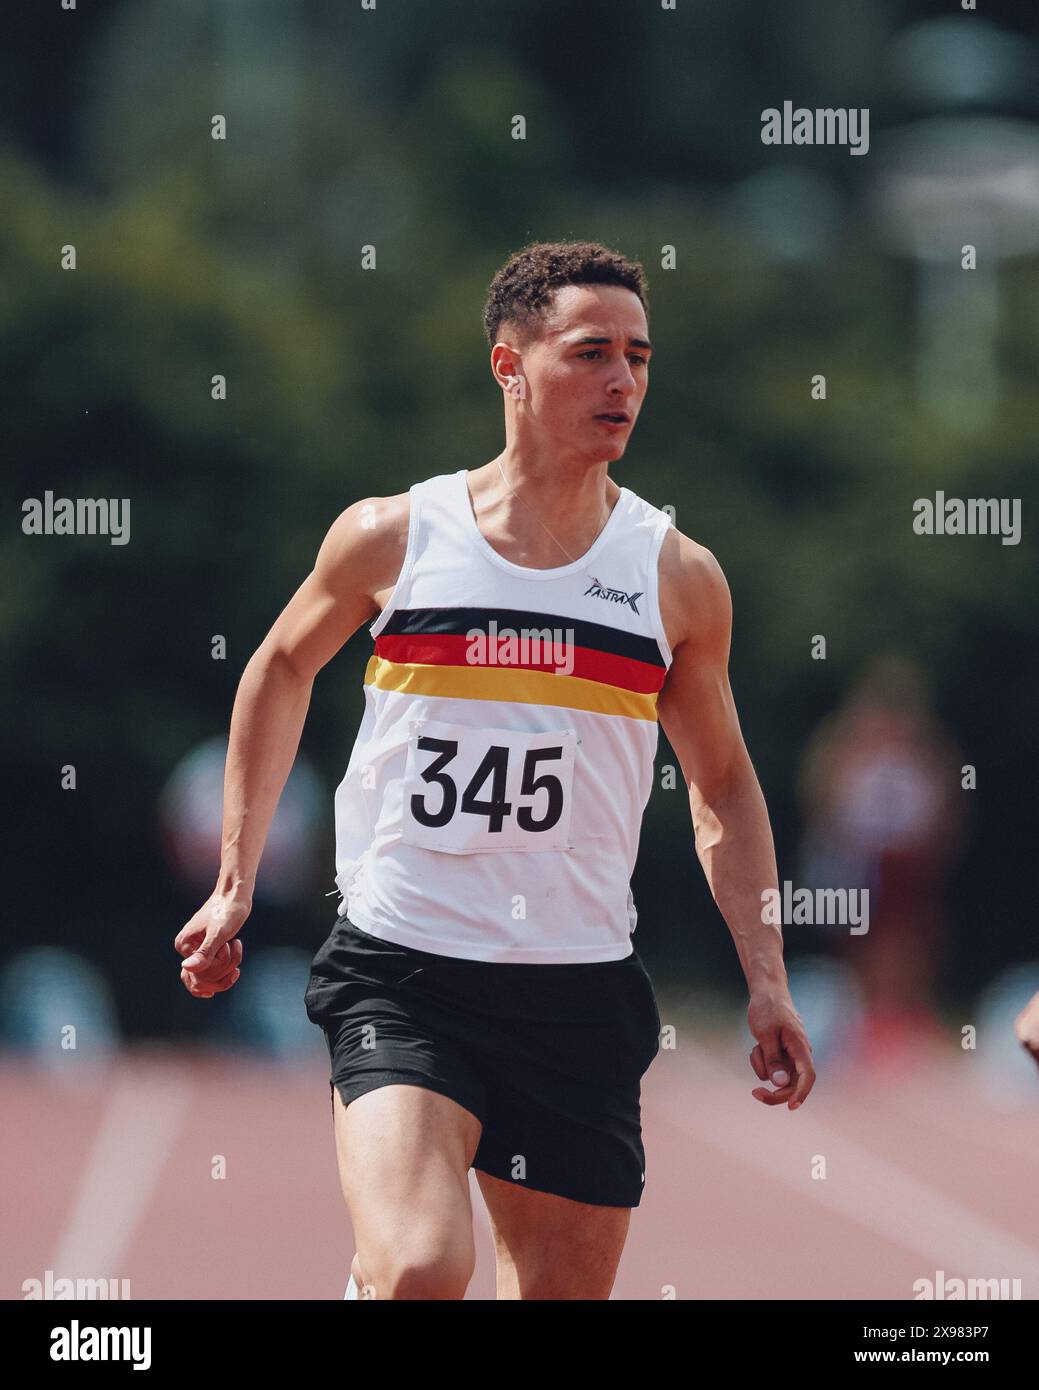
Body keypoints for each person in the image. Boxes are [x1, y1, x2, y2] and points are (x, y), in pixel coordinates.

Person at [174, 240, 815, 1300]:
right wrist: (236, 878)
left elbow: (723, 784)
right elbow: (279, 669)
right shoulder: (395, 538)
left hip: (577, 994)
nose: (623, 381)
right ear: (508, 366)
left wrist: (766, 977)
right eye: (591, 352)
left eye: (640, 357)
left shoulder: (674, 579)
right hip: (405, 969)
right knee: (424, 1266)